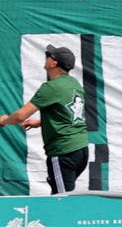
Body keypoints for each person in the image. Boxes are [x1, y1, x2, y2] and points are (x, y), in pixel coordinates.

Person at [0, 45, 88, 194]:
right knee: (61, 195)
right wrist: (41, 122)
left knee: (62, 200)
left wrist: (4, 120)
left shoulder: (51, 87)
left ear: (54, 63)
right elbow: (72, 114)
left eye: (49, 56)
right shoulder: (74, 83)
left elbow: (20, 116)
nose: (46, 58)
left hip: (63, 152)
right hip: (81, 150)